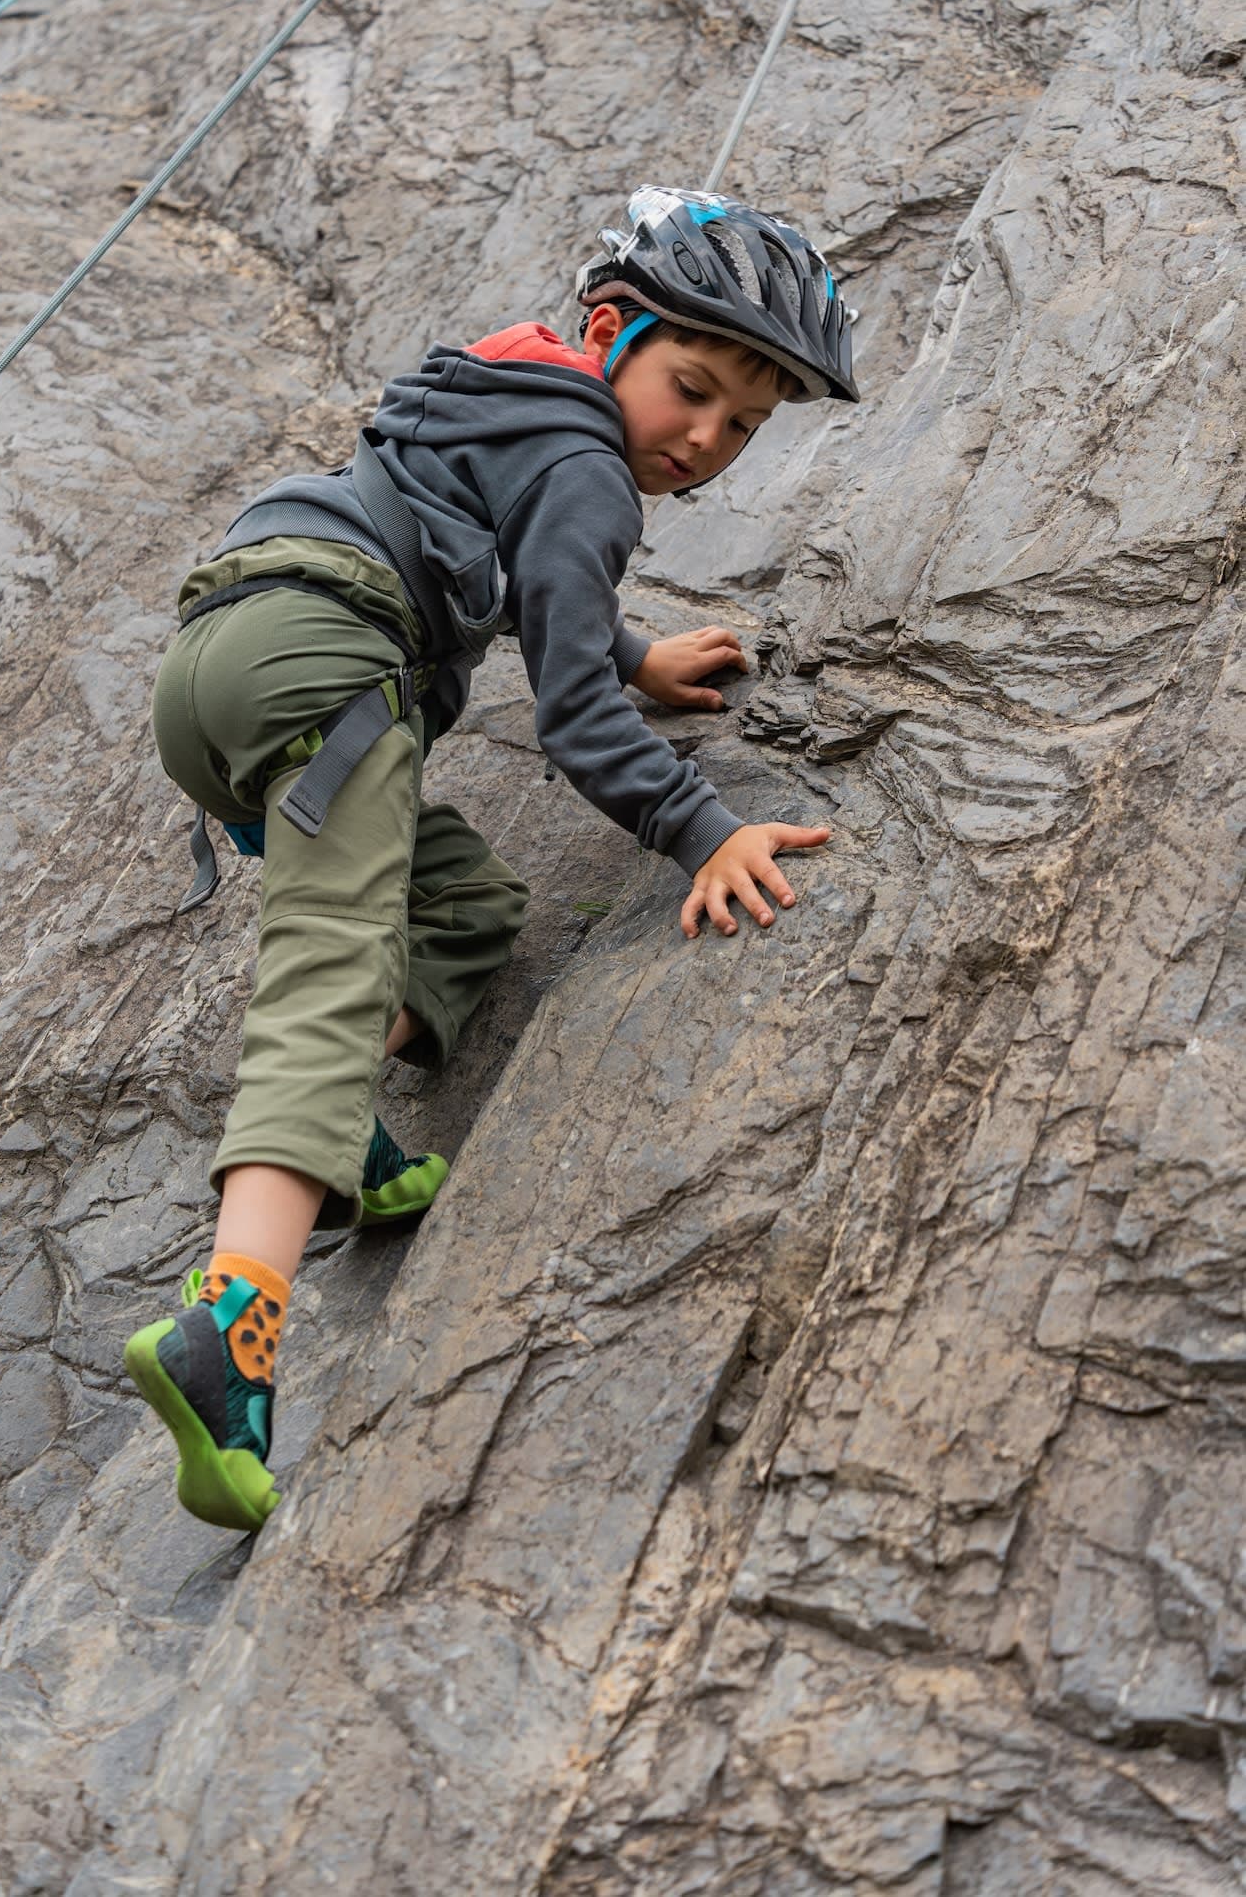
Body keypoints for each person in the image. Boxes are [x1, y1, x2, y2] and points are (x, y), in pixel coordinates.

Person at [125, 185, 861, 1533]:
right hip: (328, 668)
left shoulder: (512, 384)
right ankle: (227, 1332)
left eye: (745, 425)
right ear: (613, 333)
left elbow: (504, 556)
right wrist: (705, 828)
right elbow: (571, 713)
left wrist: (635, 653)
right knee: (329, 969)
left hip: (217, 659)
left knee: (463, 899)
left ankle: (342, 1129)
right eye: (693, 390)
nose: (706, 438)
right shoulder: (591, 472)